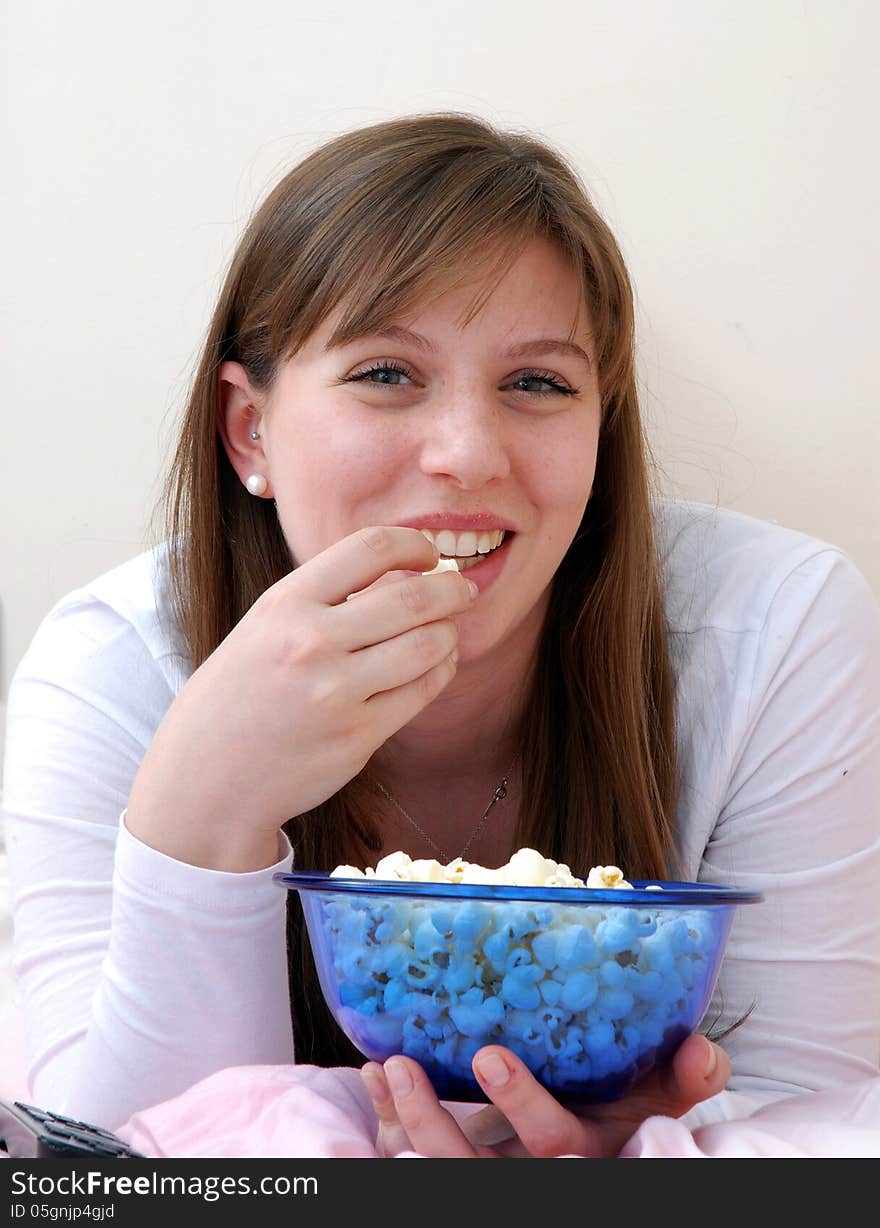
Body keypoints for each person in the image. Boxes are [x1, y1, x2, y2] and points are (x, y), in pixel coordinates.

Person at [3, 112, 879, 1158]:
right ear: (252, 430)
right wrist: (201, 814)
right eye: (386, 374)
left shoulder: (772, 628)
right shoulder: (115, 666)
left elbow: (819, 1129)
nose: (467, 454)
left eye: (537, 383)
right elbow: (103, 1173)